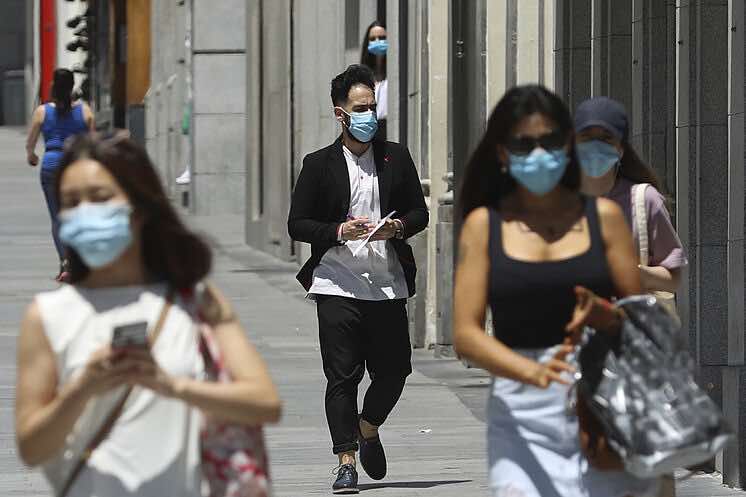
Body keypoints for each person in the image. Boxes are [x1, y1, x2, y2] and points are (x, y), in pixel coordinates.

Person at [15, 133, 282, 497]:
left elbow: (265, 403)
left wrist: (172, 386)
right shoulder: (47, 316)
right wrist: (83, 387)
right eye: (71, 202)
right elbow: (31, 447)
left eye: (100, 197)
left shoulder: (194, 301)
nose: (85, 212)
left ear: (139, 207)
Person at [453, 85, 659, 497]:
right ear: (502, 153)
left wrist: (604, 314)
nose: (538, 154)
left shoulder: (604, 219)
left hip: (604, 402)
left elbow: (639, 317)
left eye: (549, 141)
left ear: (567, 144)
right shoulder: (484, 226)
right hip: (520, 409)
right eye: (523, 144)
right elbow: (466, 334)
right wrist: (532, 371)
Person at [287, 64, 428, 494]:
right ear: (341, 114)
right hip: (337, 284)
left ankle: (368, 428)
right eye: (360, 108)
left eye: (372, 107)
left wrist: (397, 228)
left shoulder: (395, 157)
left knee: (394, 371)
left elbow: (419, 213)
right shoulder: (319, 164)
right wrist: (338, 231)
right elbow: (297, 223)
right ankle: (345, 461)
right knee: (342, 377)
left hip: (386, 285)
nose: (369, 115)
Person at [574, 96, 687, 295]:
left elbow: (674, 279)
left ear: (620, 149)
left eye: (606, 138)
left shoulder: (645, 200)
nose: (595, 146)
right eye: (587, 137)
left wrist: (638, 274)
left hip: (628, 313)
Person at [26, 68, 95, 282]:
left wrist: (31, 155)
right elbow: (93, 143)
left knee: (57, 217)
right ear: (73, 86)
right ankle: (79, 262)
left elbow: (30, 143)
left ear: (53, 86)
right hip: (76, 166)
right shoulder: (85, 111)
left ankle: (65, 263)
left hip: (51, 165)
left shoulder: (42, 112)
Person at [360, 21, 388, 140]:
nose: (377, 42)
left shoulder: (394, 76)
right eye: (372, 39)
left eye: (382, 38)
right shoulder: (363, 77)